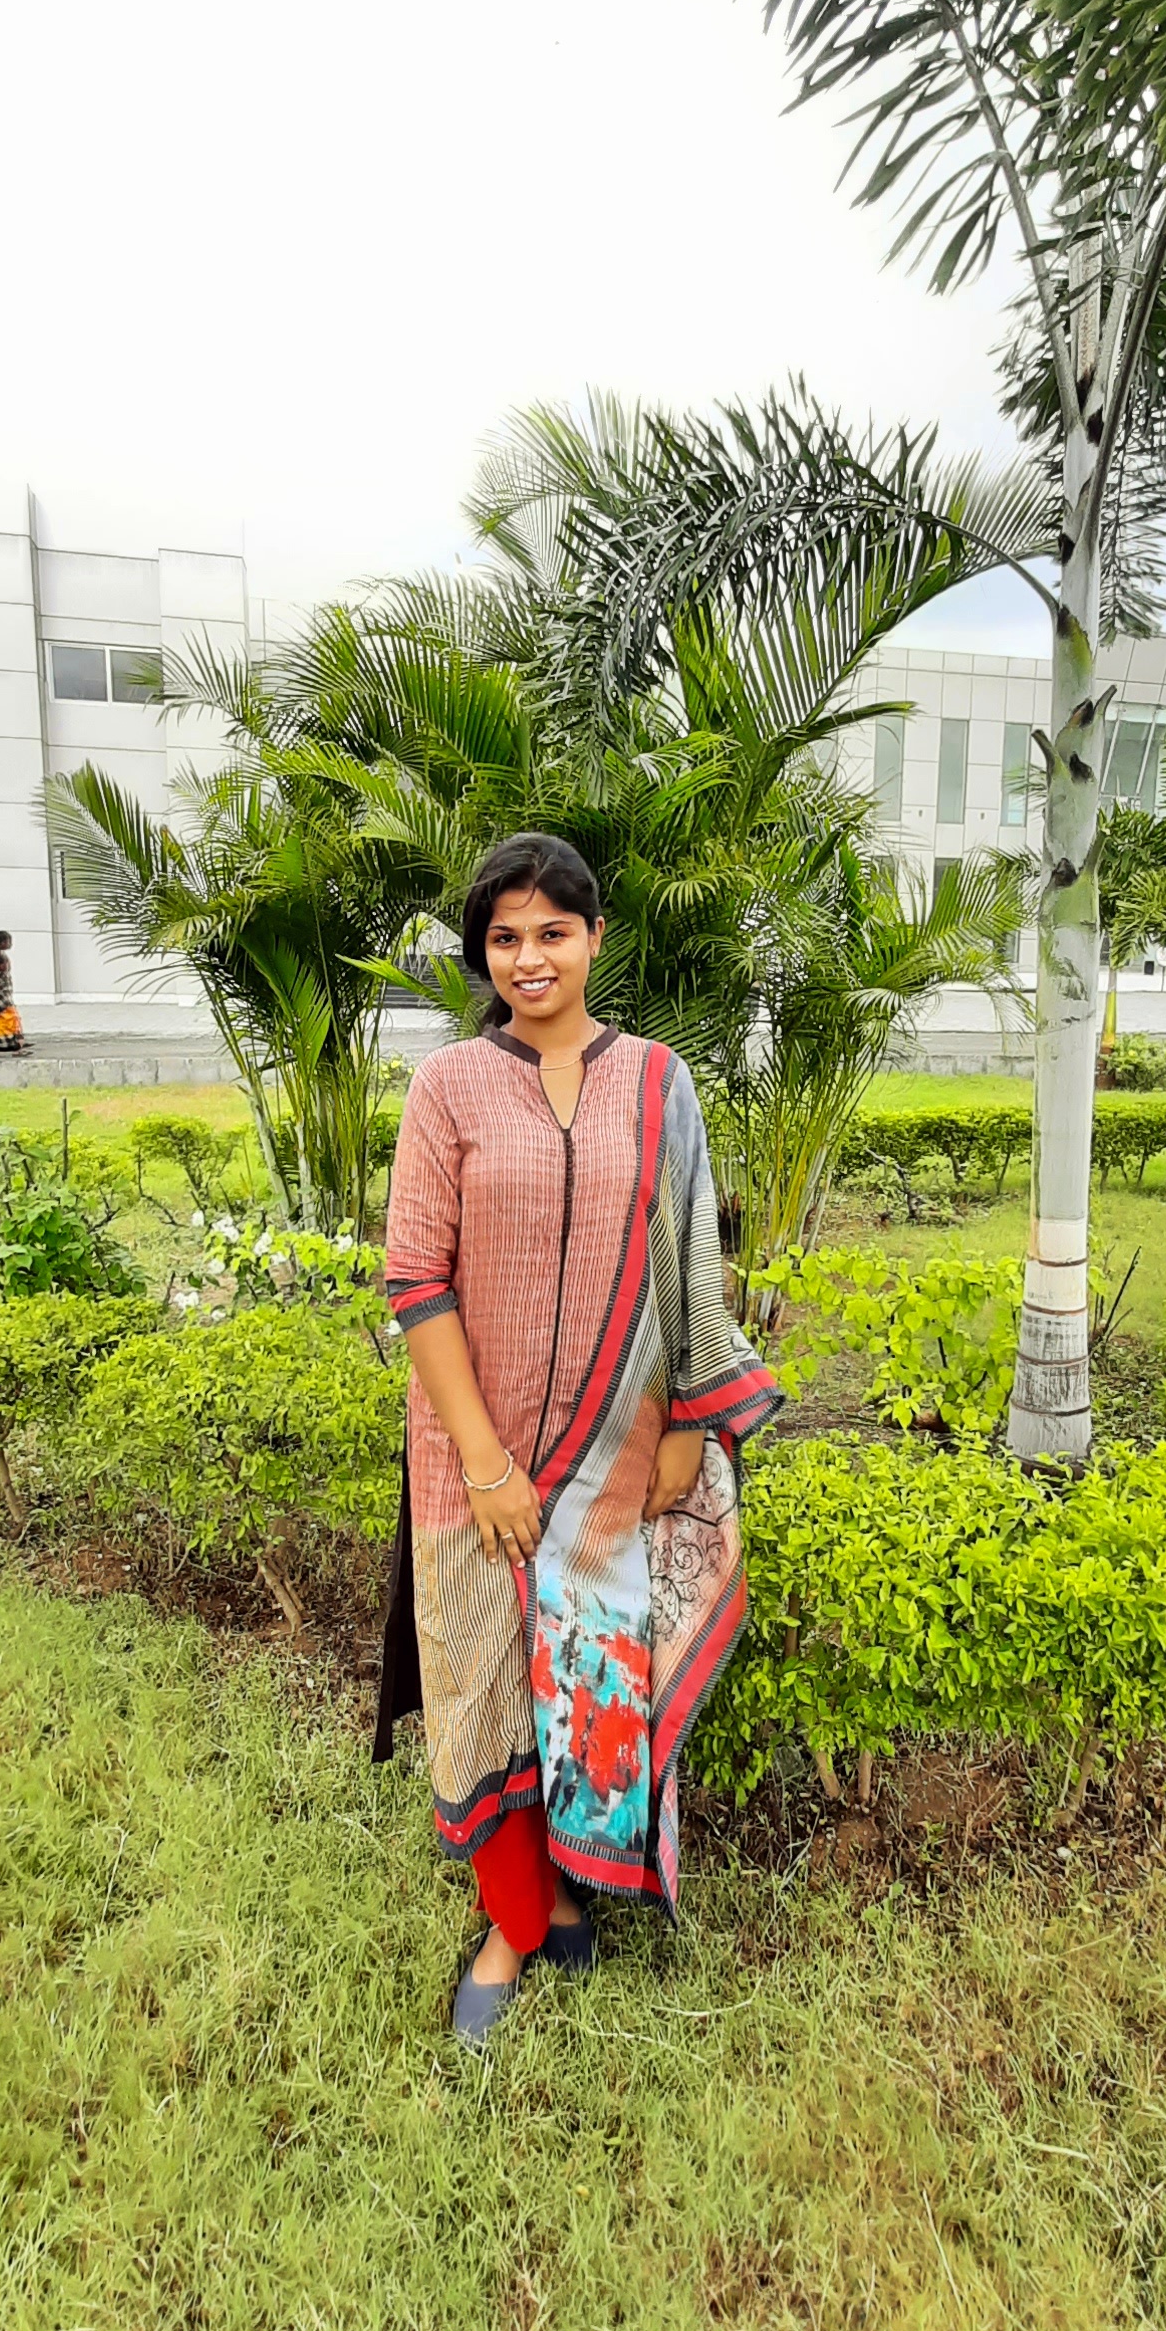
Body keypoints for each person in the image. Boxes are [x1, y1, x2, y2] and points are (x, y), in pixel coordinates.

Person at [378, 832, 781, 2047]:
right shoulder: (449, 1087)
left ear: (595, 939)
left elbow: (691, 1261)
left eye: (552, 931)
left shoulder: (658, 1081)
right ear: (483, 953)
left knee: (589, 1677)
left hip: (615, 1457)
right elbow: (416, 1280)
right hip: (472, 1458)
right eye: (505, 937)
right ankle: (514, 1920)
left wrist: (684, 1430)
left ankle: (575, 1886)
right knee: (483, 1686)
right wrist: (486, 1464)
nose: (530, 957)